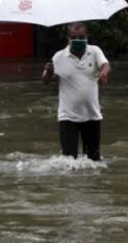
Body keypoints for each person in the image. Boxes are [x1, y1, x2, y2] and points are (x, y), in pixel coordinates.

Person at [42, 22, 111, 161]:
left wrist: (104, 73)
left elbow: (106, 65)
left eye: (81, 37)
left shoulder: (95, 51)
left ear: (87, 37)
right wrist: (48, 73)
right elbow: (45, 80)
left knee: (93, 160)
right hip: (68, 117)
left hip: (92, 115)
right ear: (68, 38)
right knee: (68, 161)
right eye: (74, 37)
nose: (78, 40)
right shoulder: (59, 57)